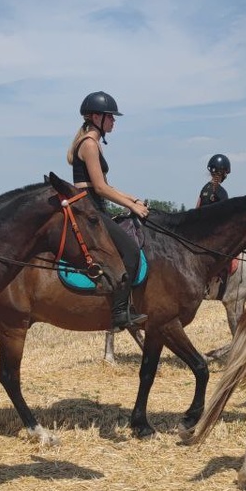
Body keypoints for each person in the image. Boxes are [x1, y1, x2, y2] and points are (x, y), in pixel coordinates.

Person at [69, 91, 147, 330]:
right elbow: (100, 189)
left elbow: (105, 185)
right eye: (110, 116)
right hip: (91, 210)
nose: (114, 121)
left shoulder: (93, 144)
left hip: (96, 207)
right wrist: (131, 206)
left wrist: (131, 197)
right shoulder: (90, 145)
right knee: (131, 253)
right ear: (96, 117)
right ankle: (119, 313)